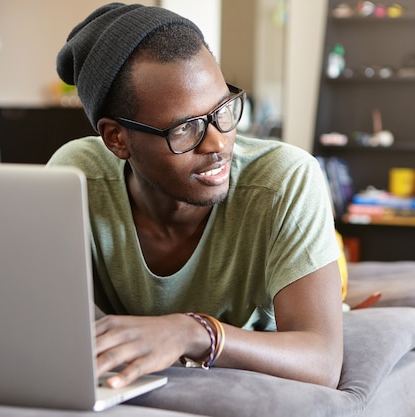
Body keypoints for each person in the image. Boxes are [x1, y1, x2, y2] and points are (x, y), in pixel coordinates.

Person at [48, 2, 343, 390]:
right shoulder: (77, 177)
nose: (219, 143)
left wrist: (193, 332)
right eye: (185, 128)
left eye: (223, 108)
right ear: (116, 139)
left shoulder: (285, 179)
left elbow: (322, 361)